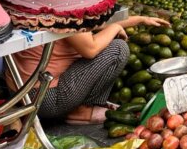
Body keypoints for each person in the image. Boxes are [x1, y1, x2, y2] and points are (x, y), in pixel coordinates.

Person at [9, 13, 169, 124]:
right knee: (118, 49)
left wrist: (140, 19)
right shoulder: (64, 11)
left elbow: (92, 24)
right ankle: (82, 111)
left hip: (19, 94)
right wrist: (115, 28)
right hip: (45, 99)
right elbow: (90, 49)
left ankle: (73, 109)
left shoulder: (33, 2)